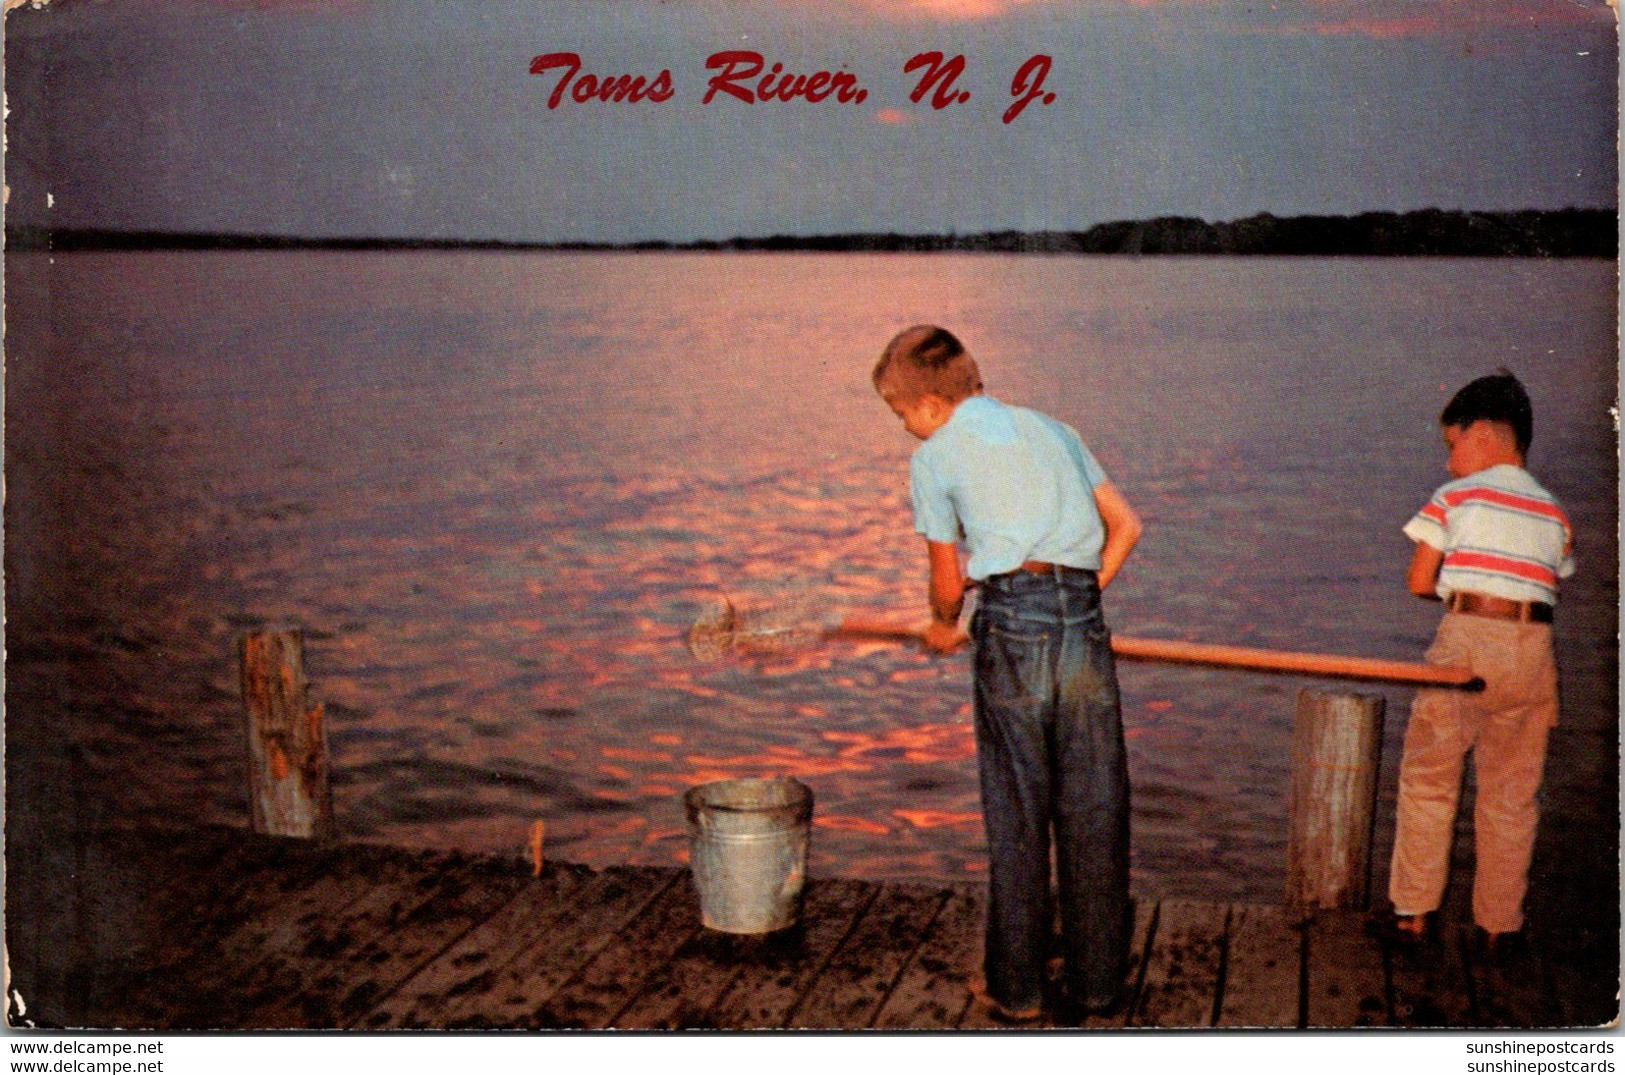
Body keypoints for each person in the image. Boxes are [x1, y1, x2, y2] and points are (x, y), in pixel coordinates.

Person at [871, 325, 1142, 1022]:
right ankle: (1097, 986)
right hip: (1080, 618)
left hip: (1012, 626)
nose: (904, 428)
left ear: (929, 403)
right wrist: (1077, 600)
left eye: (900, 414)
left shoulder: (935, 458)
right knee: (1093, 806)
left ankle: (1015, 988)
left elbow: (942, 584)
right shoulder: (1054, 429)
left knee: (1018, 808)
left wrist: (941, 621)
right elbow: (1126, 526)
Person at [1380, 370, 1573, 957]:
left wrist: (1460, 589)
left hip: (1466, 642)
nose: (1447, 463)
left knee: (1430, 780)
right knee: (1512, 794)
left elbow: (1420, 581)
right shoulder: (1556, 514)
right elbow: (1550, 581)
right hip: (1534, 652)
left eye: (1451, 444)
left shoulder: (1455, 498)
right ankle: (1498, 927)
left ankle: (1413, 915)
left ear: (1484, 432)